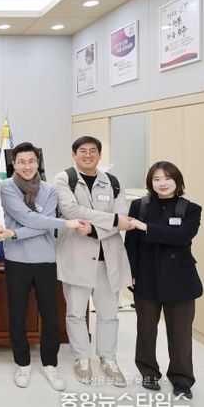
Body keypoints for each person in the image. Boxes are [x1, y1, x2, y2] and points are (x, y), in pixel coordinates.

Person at [0, 142, 85, 391]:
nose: (26, 166)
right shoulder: (7, 186)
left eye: (31, 161)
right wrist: (64, 223)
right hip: (17, 260)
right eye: (21, 162)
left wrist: (15, 233)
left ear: (38, 163)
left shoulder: (49, 190)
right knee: (17, 314)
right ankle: (23, 363)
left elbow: (43, 223)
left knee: (50, 315)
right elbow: (30, 218)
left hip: (46, 259)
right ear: (14, 163)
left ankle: (50, 364)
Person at [54, 136, 133, 387]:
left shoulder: (113, 182)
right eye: (82, 151)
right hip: (75, 257)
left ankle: (108, 359)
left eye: (93, 151)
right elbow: (72, 211)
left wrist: (95, 229)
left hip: (108, 259)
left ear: (99, 155)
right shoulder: (64, 178)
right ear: (74, 154)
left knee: (109, 314)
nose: (87, 155)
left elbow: (122, 217)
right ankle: (82, 358)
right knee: (76, 313)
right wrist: (112, 221)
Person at [125, 161, 202, 399]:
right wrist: (131, 271)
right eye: (157, 179)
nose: (162, 183)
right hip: (146, 277)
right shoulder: (139, 206)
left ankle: (182, 379)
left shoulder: (191, 209)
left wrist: (145, 227)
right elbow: (131, 242)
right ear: (150, 182)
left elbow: (181, 237)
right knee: (146, 330)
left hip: (180, 280)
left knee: (180, 333)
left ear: (177, 181)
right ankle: (148, 372)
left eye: (168, 178)